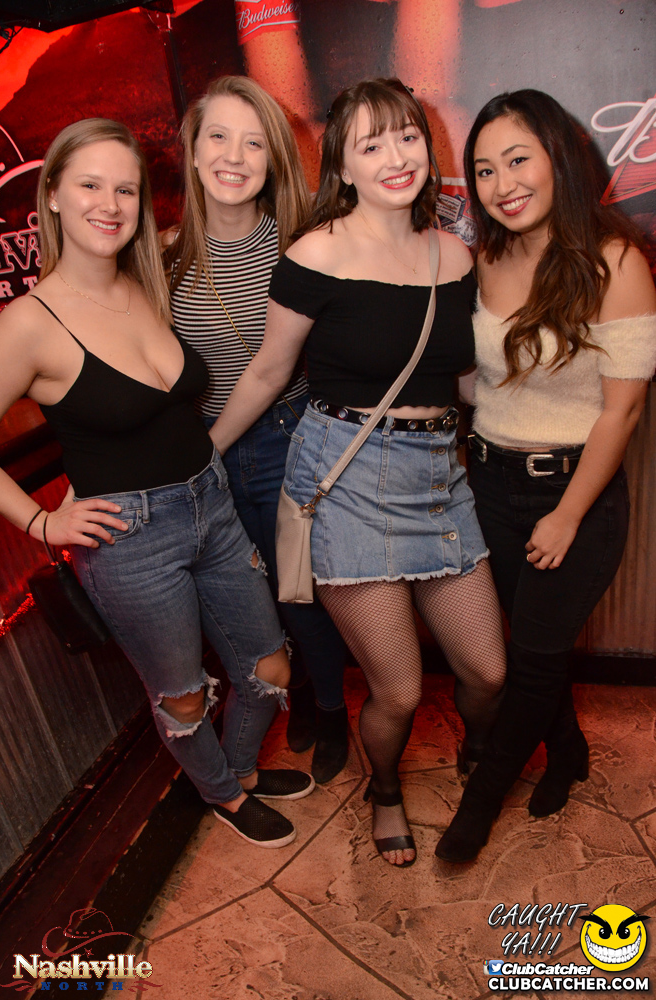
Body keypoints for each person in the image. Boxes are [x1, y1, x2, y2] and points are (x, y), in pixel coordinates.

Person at [0, 118, 316, 850]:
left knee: (269, 664)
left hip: (213, 502)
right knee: (183, 698)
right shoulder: (28, 323)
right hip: (131, 541)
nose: (110, 204)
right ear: (52, 196)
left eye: (127, 189)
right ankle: (224, 794)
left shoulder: (146, 283)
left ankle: (239, 771)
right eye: (90, 185)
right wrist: (42, 524)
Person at [211, 78, 507, 867]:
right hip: (345, 482)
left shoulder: (455, 254)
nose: (396, 156)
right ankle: (384, 789)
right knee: (399, 691)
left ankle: (481, 750)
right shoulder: (317, 254)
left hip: (439, 477)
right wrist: (204, 453)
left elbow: (465, 381)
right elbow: (269, 370)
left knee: (487, 672)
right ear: (342, 167)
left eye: (407, 136)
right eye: (371, 144)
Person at [435, 90, 656, 863]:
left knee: (531, 661)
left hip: (574, 494)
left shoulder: (615, 261)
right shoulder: (485, 258)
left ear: (559, 157)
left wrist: (565, 515)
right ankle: (566, 751)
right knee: (534, 648)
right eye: (484, 170)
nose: (502, 184)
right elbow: (484, 386)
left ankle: (480, 804)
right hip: (491, 483)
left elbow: (622, 412)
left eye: (517, 160)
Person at [164, 77, 350, 785]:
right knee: (254, 598)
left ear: (272, 159)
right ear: (192, 149)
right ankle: (296, 694)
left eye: (253, 143)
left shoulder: (298, 247)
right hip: (206, 448)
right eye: (218, 136)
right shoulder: (164, 256)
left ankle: (329, 708)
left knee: (302, 595)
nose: (233, 157)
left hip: (286, 438)